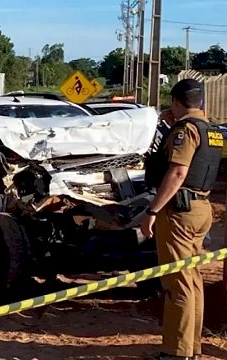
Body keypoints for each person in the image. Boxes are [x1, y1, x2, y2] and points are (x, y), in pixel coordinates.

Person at [140, 79, 223, 360]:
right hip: (202, 209)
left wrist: (152, 211)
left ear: (176, 101)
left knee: (177, 282)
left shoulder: (185, 131)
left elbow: (177, 173)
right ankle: (191, 347)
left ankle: (176, 352)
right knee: (192, 279)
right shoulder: (211, 130)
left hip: (180, 212)